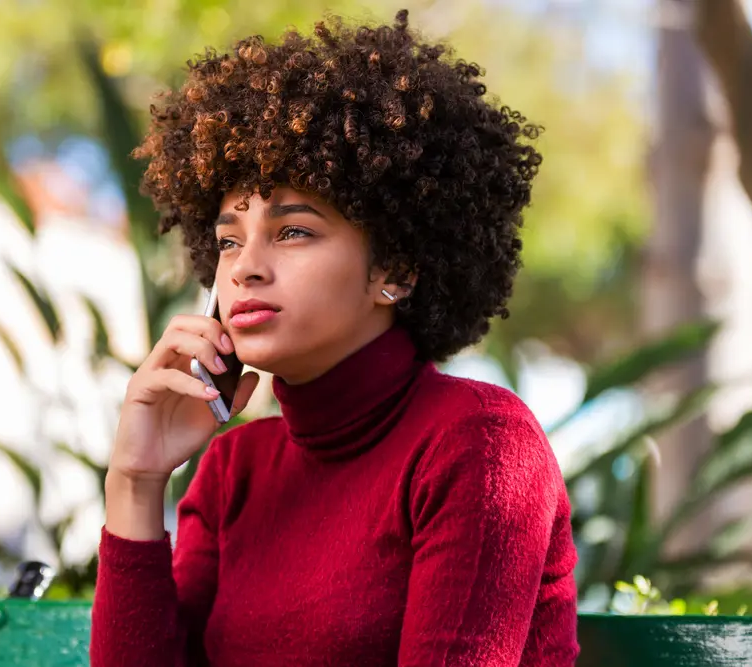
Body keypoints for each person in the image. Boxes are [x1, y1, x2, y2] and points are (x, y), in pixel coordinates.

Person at [91, 9, 579, 667]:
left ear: (396, 270)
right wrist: (135, 479)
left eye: (293, 231)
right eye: (230, 240)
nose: (245, 267)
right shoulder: (235, 471)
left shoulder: (479, 444)